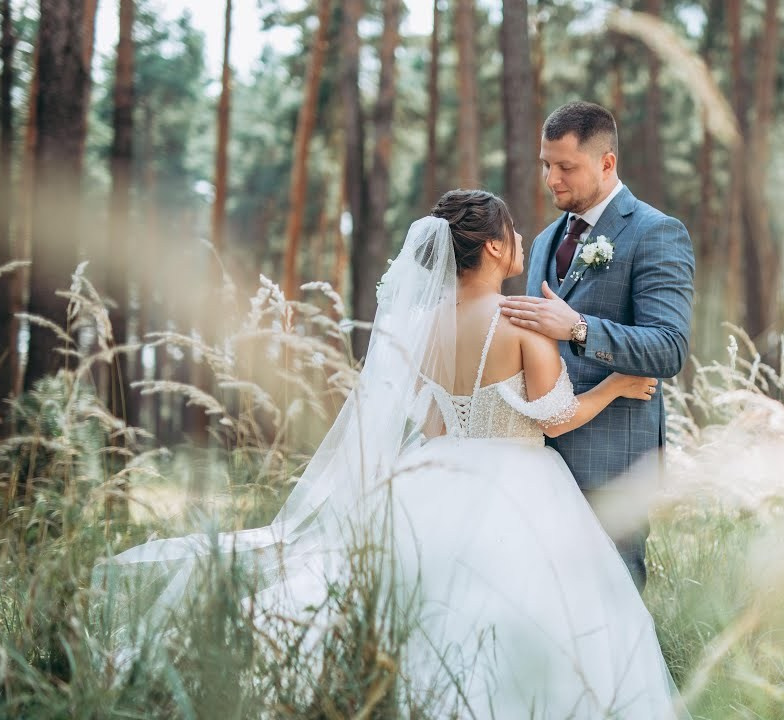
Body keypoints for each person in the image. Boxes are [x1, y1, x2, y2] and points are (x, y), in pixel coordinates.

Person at [97, 189, 685, 719]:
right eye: (512, 233)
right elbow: (556, 415)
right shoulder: (520, 322)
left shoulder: (421, 326)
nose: (523, 242)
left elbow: (431, 421)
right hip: (521, 476)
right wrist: (615, 387)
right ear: (490, 245)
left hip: (439, 470)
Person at [501, 101, 696, 590]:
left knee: (614, 604)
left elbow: (669, 347)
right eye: (546, 164)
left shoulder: (656, 233)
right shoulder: (545, 240)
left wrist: (580, 328)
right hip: (540, 458)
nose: (552, 179)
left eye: (566, 166)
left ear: (607, 163)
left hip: (613, 464)